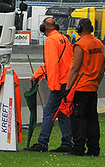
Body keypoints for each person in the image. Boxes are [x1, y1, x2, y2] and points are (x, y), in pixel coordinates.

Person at [24, 17, 74, 153]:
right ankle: (66, 143)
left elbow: (52, 64)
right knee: (63, 113)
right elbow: (65, 61)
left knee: (48, 112)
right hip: (68, 81)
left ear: (44, 28)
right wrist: (38, 74)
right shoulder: (64, 39)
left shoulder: (51, 40)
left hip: (60, 83)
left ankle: (42, 143)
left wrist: (54, 85)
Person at [65, 17, 105, 156]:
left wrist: (68, 88)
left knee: (78, 119)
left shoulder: (80, 45)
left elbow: (75, 68)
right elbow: (103, 66)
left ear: (79, 29)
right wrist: (96, 82)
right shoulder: (99, 44)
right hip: (93, 87)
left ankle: (78, 148)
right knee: (92, 119)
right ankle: (94, 149)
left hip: (81, 87)